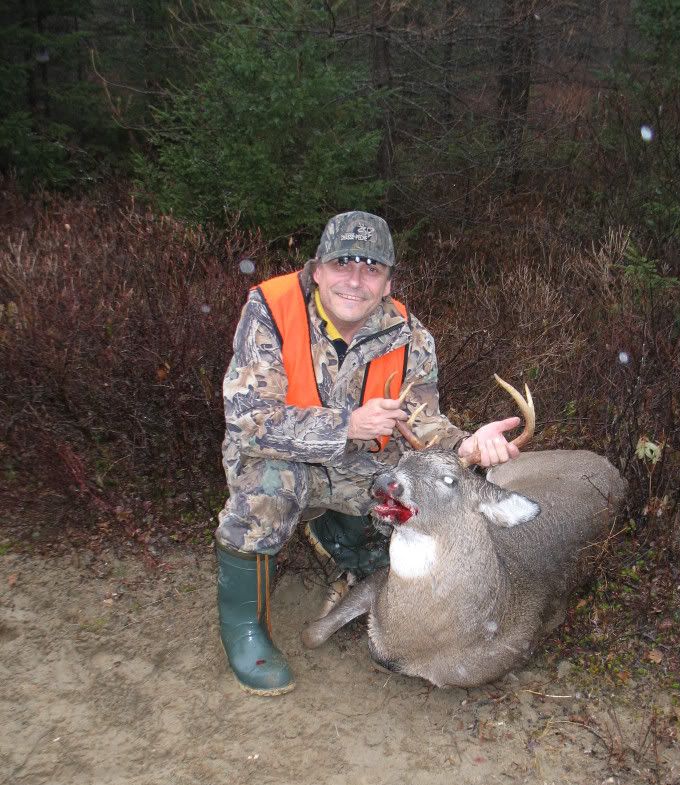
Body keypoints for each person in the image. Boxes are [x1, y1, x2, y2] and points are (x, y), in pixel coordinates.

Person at [216, 211, 523, 696]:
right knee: (266, 493)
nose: (355, 281)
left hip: (359, 470)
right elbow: (250, 419)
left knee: (408, 501)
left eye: (371, 268)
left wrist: (465, 445)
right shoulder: (271, 310)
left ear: (387, 281)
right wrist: (348, 424)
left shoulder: (409, 336)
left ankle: (351, 555)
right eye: (343, 264)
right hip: (277, 460)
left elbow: (422, 425)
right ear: (317, 269)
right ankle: (244, 629)